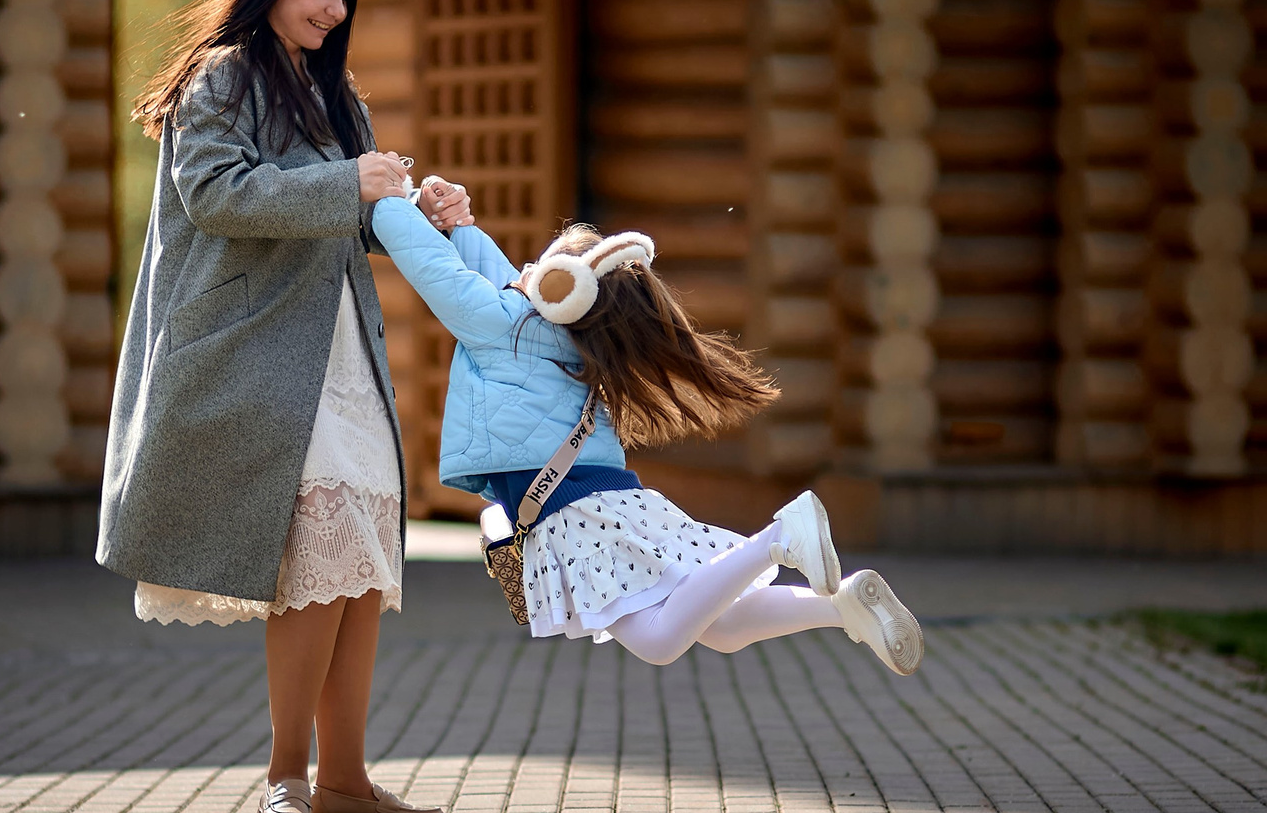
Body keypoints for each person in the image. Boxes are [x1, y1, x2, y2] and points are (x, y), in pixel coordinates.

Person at [98, 0, 462, 813]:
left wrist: (425, 211)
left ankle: (345, 781)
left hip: (341, 352)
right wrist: (354, 186)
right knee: (319, 549)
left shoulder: (337, 97)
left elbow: (353, 217)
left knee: (360, 559)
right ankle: (285, 777)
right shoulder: (221, 79)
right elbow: (216, 195)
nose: (336, 11)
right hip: (260, 353)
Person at [367, 189, 925, 674]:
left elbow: (433, 270)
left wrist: (391, 198)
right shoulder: (556, 336)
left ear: (564, 289)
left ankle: (779, 538)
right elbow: (485, 270)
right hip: (613, 503)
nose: (527, 269)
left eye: (544, 265)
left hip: (574, 513)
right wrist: (451, 221)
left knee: (659, 641)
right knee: (723, 628)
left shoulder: (501, 327)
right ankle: (842, 605)